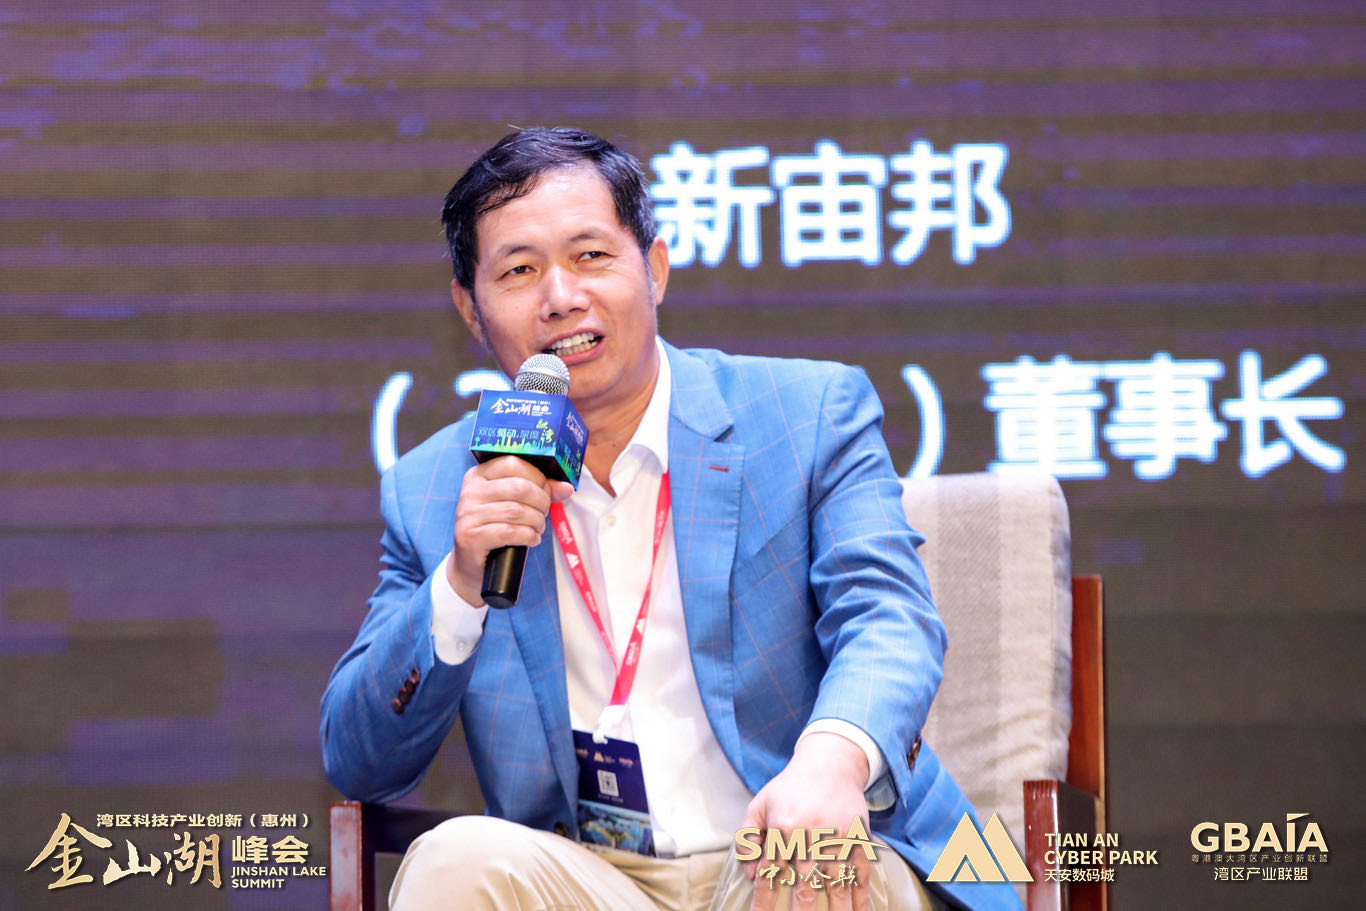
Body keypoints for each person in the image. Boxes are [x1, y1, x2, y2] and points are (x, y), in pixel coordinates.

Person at [320, 127, 1020, 911]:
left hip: (780, 843)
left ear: (654, 267)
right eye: (519, 270)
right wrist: (459, 585)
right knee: (453, 860)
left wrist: (830, 764)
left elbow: (888, 618)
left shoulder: (806, 413)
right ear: (470, 309)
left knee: (810, 860)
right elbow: (360, 760)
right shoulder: (434, 488)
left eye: (590, 255)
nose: (560, 296)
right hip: (592, 880)